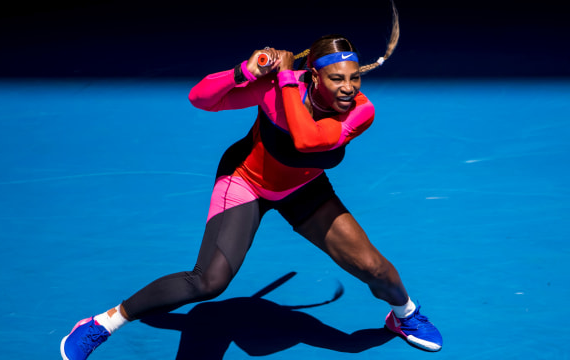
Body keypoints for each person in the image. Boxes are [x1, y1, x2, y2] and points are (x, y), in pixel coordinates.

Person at [60, 6, 442, 360]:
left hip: (303, 188)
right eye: (337, 78)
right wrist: (244, 71)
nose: (348, 88)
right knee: (207, 282)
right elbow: (200, 98)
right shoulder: (275, 91)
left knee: (375, 269)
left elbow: (308, 140)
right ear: (315, 75)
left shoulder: (361, 111)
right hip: (245, 181)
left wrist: (287, 78)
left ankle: (405, 314)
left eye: (354, 77)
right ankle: (103, 323)